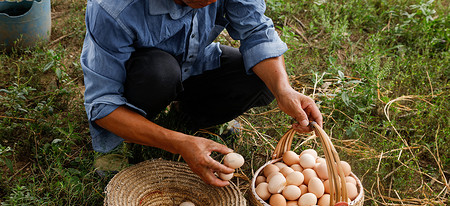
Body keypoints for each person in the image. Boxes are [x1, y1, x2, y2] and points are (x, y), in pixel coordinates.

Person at [80, 0, 323, 187]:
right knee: (160, 73)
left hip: (192, 61)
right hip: (140, 75)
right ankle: (115, 143)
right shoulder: (111, 8)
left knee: (261, 80)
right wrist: (179, 144)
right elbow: (103, 105)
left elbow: (257, 32)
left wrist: (284, 90)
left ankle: (191, 115)